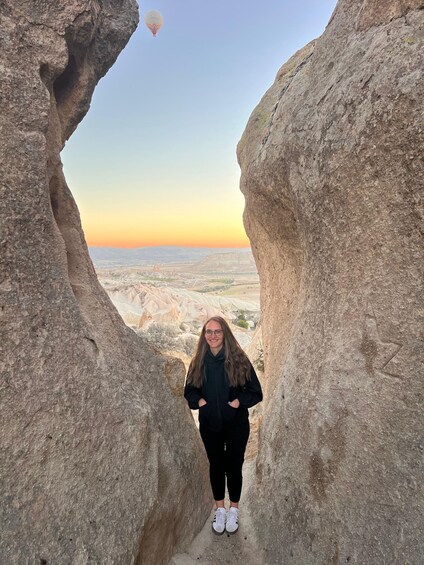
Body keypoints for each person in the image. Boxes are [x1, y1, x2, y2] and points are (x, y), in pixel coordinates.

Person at [184, 316, 263, 535]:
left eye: (217, 331)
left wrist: (238, 402)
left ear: (225, 333)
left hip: (236, 424)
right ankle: (220, 509)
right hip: (210, 424)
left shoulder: (239, 359)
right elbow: (189, 391)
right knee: (216, 466)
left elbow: (256, 392)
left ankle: (234, 509)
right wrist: (201, 403)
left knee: (234, 466)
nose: (212, 336)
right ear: (204, 335)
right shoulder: (198, 361)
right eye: (208, 332)